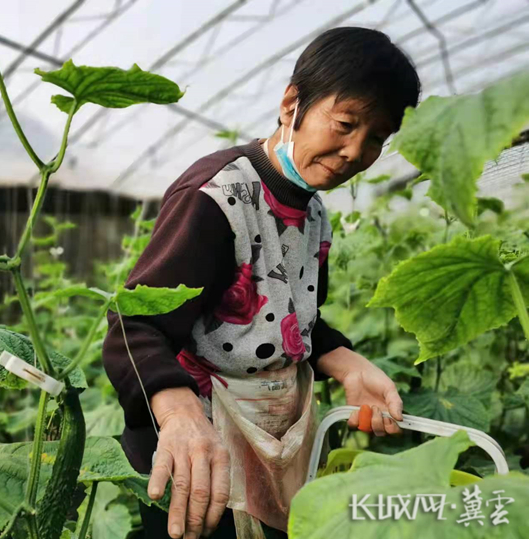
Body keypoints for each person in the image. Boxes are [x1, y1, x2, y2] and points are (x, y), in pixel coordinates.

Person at [102, 26, 421, 539]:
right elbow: (135, 326)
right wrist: (179, 414)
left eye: (376, 138)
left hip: (269, 440)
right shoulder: (216, 197)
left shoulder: (314, 213)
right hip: (194, 447)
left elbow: (291, 318)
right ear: (291, 103)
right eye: (345, 123)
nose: (354, 152)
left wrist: (347, 361)